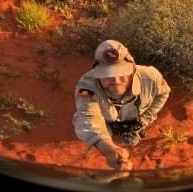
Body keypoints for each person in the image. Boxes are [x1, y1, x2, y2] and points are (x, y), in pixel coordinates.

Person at [72, 39, 171, 171]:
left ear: (133, 68)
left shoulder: (151, 77)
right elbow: (87, 117)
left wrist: (145, 119)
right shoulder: (86, 85)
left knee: (131, 140)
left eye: (122, 73)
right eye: (107, 75)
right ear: (97, 73)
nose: (116, 81)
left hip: (134, 119)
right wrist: (109, 149)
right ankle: (110, 131)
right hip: (106, 120)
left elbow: (163, 94)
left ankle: (130, 131)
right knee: (81, 124)